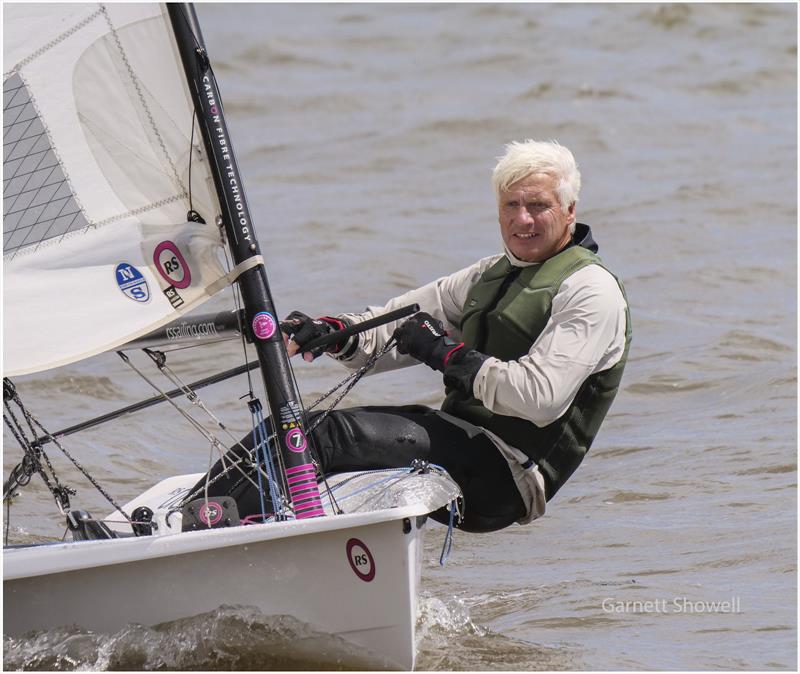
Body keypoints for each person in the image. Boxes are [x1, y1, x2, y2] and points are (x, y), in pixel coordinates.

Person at [198, 140, 631, 533]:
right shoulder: (491, 274)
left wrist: (446, 354)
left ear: (570, 210)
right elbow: (401, 319)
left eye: (538, 205)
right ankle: (201, 513)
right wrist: (333, 333)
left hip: (507, 475)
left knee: (322, 439)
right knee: (294, 430)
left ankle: (210, 537)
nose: (522, 219)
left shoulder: (591, 291)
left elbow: (540, 398)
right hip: (460, 439)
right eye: (511, 205)